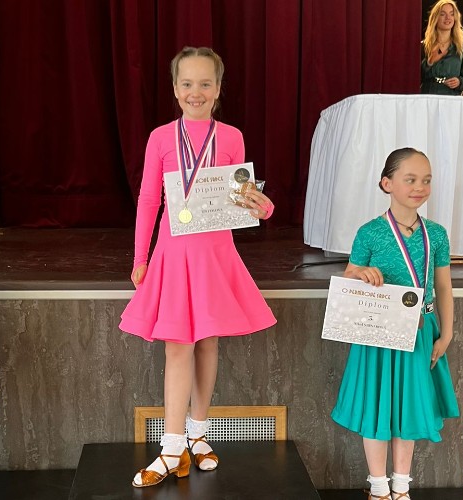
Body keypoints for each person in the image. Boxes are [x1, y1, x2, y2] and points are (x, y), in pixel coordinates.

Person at [120, 46, 277, 488]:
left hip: (214, 255)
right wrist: (140, 257)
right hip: (173, 255)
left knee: (207, 343)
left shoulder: (231, 137)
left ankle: (198, 434)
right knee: (177, 347)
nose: (196, 92)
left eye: (205, 83)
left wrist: (262, 207)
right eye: (187, 83)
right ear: (175, 89)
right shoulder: (159, 138)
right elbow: (148, 200)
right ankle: (171, 448)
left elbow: (241, 198)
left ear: (218, 89)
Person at [330, 148, 459, 500]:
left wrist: (446, 332)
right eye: (410, 179)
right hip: (379, 334)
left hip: (421, 331)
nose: (420, 187)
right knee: (378, 407)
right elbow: (349, 275)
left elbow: (444, 286)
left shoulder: (436, 234)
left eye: (426, 180)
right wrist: (362, 274)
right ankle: (378, 487)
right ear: (387, 183)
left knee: (409, 408)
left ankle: (401, 487)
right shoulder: (370, 232)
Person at [421, 0, 463, 95]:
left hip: (452, 97)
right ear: (435, 18)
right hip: (429, 96)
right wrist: (430, 62)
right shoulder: (423, 46)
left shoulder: (462, 46)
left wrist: (459, 82)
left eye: (451, 14)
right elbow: (413, 76)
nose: (448, 17)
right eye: (442, 14)